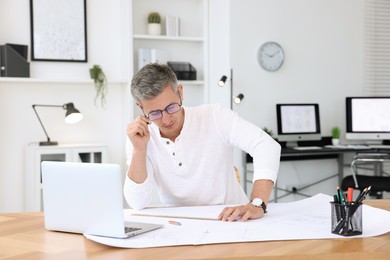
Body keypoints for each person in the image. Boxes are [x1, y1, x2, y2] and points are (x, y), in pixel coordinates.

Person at [124, 63, 281, 222]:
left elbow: (266, 146)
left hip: (233, 219)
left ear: (180, 92)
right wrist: (139, 149)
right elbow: (137, 202)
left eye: (171, 107)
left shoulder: (214, 116)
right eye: (155, 113)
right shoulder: (139, 136)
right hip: (180, 224)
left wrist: (257, 203)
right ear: (140, 107)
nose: (166, 119)